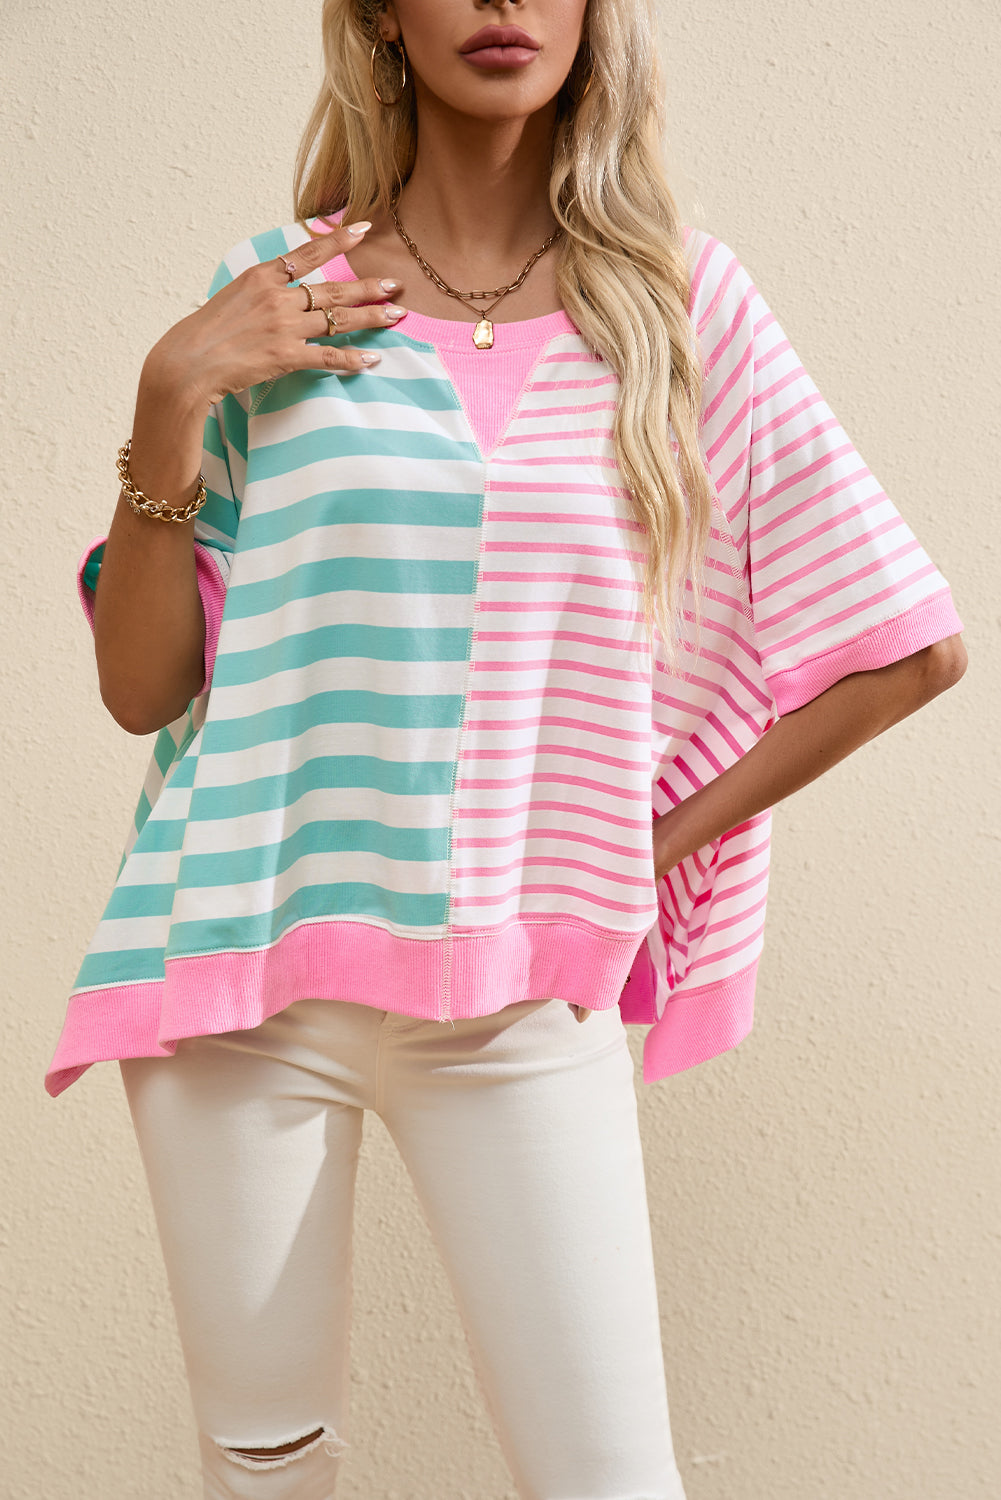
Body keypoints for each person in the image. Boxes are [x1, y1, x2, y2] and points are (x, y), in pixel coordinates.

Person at [45, 0, 967, 1495]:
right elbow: (144, 692)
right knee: (261, 1473)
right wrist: (170, 396)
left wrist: (633, 850)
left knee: (608, 1479)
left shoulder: (681, 307)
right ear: (377, 18)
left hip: (521, 997)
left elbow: (907, 647)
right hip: (243, 971)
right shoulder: (278, 295)